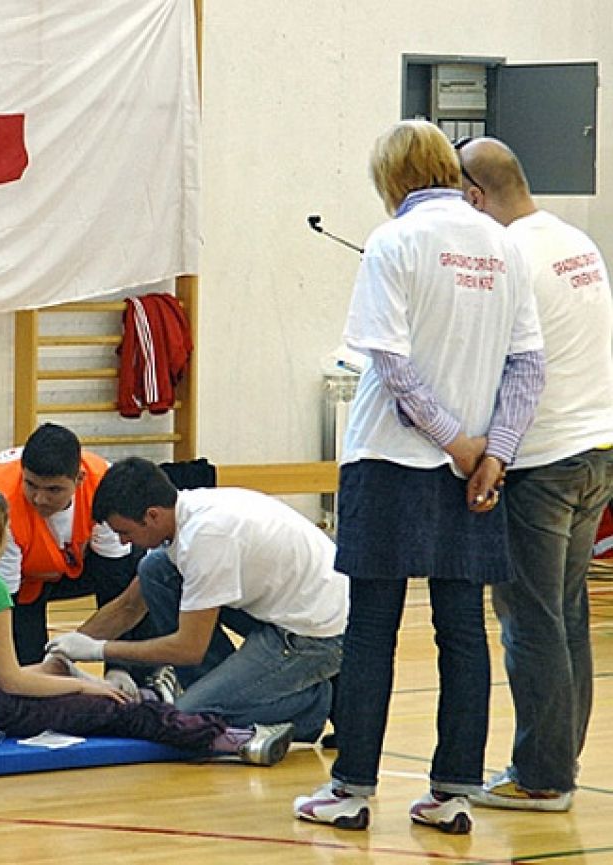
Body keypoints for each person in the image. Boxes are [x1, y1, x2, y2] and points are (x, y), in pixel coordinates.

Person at [292, 120, 544, 835]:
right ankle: (453, 792)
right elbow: (528, 365)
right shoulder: (500, 241)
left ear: (389, 180)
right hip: (471, 470)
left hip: (389, 459)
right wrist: (493, 451)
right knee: (461, 627)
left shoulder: (392, 242)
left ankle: (350, 790)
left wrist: (458, 444)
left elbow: (391, 365)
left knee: (371, 628)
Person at [0, 482, 294, 766]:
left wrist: (54, 673)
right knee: (104, 710)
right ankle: (233, 739)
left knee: (52, 677)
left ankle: (143, 699)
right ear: (1, 530)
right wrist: (85, 686)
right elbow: (13, 682)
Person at [457, 137, 613, 812]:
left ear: (472, 196)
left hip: (544, 459)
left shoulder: (508, 255)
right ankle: (557, 761)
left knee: (529, 617)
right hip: (596, 449)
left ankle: (542, 774)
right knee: (564, 611)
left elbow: (502, 363)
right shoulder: (574, 239)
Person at [46, 457, 347, 746]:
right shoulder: (185, 510)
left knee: (190, 716)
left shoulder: (206, 538)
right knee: (156, 571)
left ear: (152, 515)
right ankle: (225, 690)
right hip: (287, 608)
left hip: (318, 635)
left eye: (125, 532)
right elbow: (128, 606)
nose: (124, 543)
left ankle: (315, 703)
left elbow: (188, 648)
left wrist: (99, 650)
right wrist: (64, 651)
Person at [0, 423, 161, 694]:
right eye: (31, 485)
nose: (39, 498)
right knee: (30, 674)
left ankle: (146, 679)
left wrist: (118, 664)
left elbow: (115, 584)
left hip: (73, 562)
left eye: (54, 490)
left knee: (146, 570)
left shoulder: (103, 485)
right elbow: (1, 602)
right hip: (19, 577)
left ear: (79, 480)